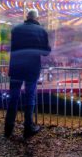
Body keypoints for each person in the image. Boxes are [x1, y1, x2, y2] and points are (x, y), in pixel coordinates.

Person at [5, 9, 51, 138]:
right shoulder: (41, 31)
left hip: (16, 68)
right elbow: (45, 52)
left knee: (13, 97)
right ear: (37, 18)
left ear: (27, 17)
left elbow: (12, 47)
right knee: (29, 96)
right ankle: (28, 128)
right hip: (31, 68)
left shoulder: (16, 29)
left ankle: (8, 129)